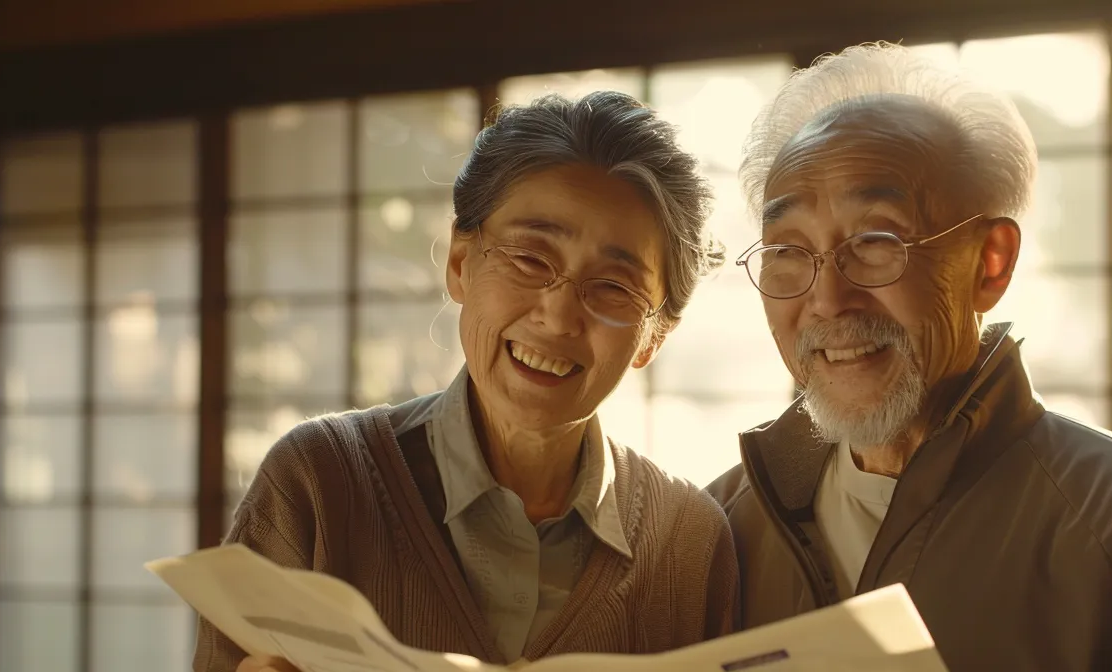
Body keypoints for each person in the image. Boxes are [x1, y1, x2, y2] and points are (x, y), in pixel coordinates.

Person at [706, 43, 1112, 671]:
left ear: (990, 263)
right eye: (789, 251)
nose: (829, 300)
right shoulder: (715, 528)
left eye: (875, 241)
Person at [201, 91, 738, 671]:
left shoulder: (689, 543)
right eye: (531, 258)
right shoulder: (319, 482)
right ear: (461, 262)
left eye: (613, 286)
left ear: (655, 336)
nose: (558, 316)